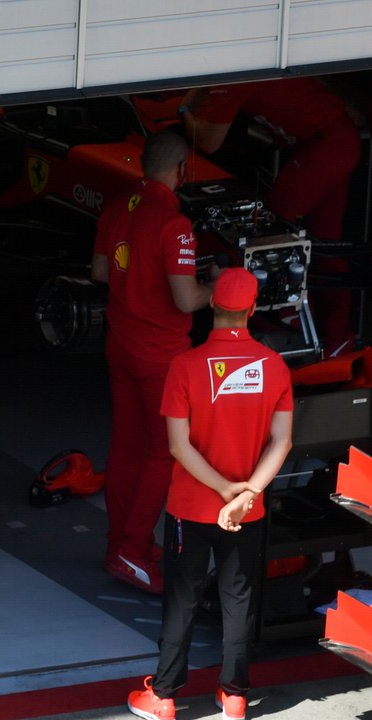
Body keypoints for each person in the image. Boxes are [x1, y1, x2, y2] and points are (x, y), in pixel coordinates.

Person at [127, 268, 294, 720]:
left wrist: (222, 490)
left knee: (182, 596)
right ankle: (235, 696)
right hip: (248, 509)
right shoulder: (275, 367)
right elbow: (281, 442)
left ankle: (163, 697)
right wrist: (247, 494)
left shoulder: (184, 365)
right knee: (238, 596)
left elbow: (179, 446)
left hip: (191, 507)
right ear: (253, 310)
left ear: (212, 307)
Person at [91, 130, 221, 594]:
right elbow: (187, 302)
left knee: (126, 444)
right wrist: (217, 287)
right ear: (182, 170)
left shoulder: (114, 208)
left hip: (120, 346)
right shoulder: (174, 223)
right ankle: (132, 550)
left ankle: (117, 546)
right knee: (164, 452)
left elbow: (100, 272)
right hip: (160, 357)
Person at [180, 77, 363, 354]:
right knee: (326, 244)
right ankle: (339, 338)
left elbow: (207, 142)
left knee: (270, 234)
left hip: (324, 145)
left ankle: (291, 326)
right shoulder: (236, 71)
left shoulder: (234, 79)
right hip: (335, 141)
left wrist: (184, 115)